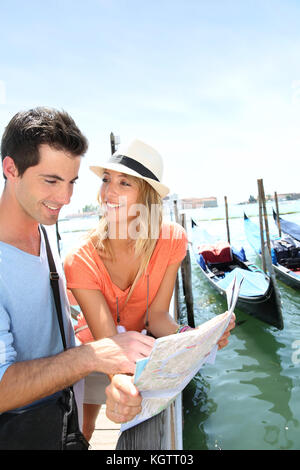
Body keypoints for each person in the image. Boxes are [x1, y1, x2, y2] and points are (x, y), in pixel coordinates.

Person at [0, 108, 154, 448]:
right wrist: (93, 356)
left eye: (71, 182)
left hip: (65, 418)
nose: (66, 198)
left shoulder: (43, 229)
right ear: (12, 169)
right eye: (51, 181)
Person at [64, 139, 236, 441]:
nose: (108, 192)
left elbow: (157, 317)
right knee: (82, 431)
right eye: (106, 180)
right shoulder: (80, 259)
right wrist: (118, 380)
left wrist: (195, 338)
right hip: (94, 350)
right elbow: (108, 343)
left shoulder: (172, 240)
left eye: (124, 183)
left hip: (141, 349)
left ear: (147, 196)